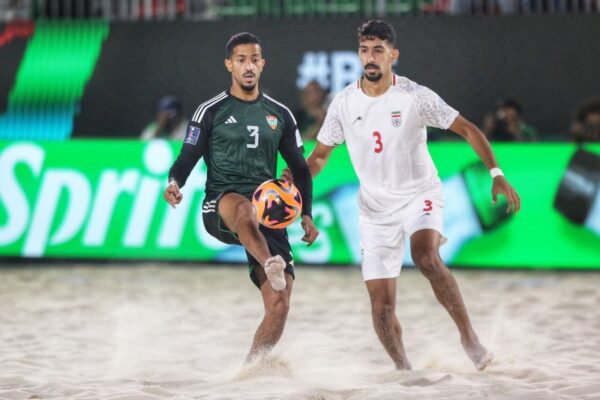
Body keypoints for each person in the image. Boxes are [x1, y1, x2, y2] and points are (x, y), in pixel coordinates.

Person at [285, 20, 520, 371]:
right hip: (374, 211)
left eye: (378, 50)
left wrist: (496, 174)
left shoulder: (414, 96)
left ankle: (469, 338)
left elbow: (468, 129)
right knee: (381, 307)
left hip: (419, 195)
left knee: (425, 257)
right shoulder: (344, 103)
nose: (370, 57)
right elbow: (320, 156)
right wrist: (297, 176)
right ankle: (403, 370)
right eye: (364, 50)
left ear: (393, 55)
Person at [163, 32, 318, 363]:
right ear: (229, 65)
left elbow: (301, 170)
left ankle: (251, 369)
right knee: (246, 211)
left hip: (268, 211)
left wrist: (307, 214)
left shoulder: (280, 115)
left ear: (262, 64)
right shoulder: (211, 111)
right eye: (241, 60)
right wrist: (174, 182)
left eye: (254, 59)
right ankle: (269, 262)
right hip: (222, 203)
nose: (248, 66)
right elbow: (186, 157)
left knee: (280, 305)